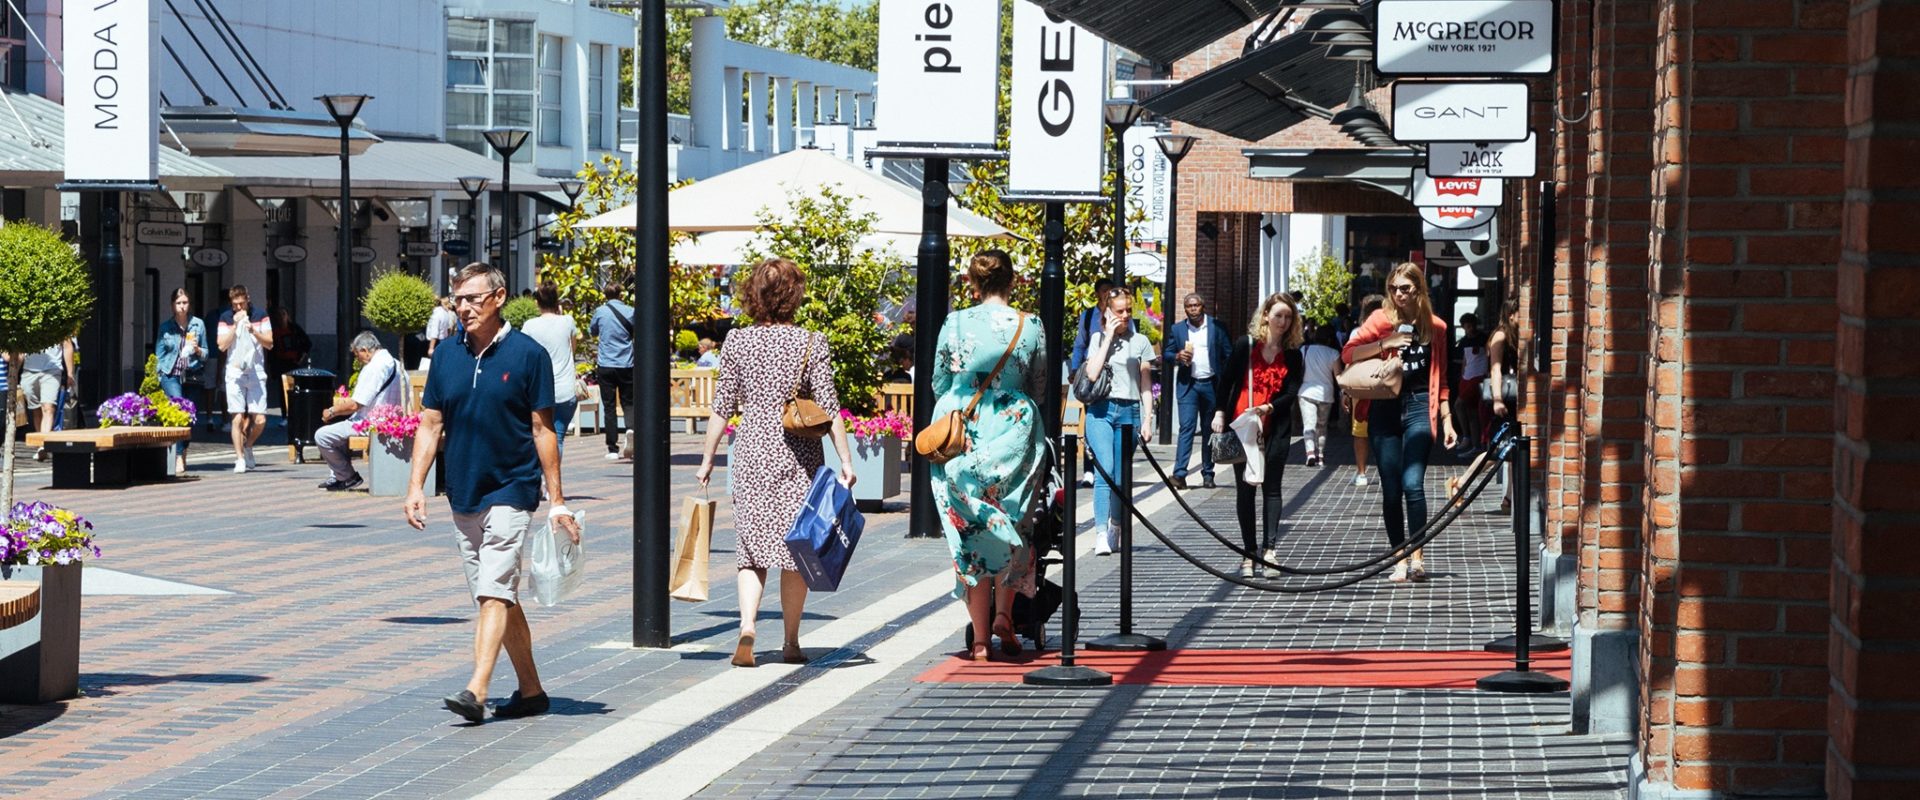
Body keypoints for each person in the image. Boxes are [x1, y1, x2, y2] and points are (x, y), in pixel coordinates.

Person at [404, 262, 579, 723]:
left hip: (513, 487)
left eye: (472, 299)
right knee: (497, 594)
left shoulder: (528, 354)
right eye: (457, 299)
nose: (463, 308)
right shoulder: (445, 356)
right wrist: (415, 486)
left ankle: (476, 689)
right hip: (464, 490)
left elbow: (543, 430)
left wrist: (556, 499)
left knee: (494, 588)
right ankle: (532, 690)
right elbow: (430, 423)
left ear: (498, 298)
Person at [695, 258, 857, 669]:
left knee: (751, 551)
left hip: (750, 451)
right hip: (798, 456)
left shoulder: (736, 341)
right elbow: (829, 406)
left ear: (755, 294)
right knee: (795, 549)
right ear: (794, 294)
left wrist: (707, 458)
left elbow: (722, 407)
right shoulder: (810, 342)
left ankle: (747, 626)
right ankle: (790, 641)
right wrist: (846, 459)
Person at [929, 250, 1046, 661]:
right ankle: (1004, 616)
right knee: (1014, 518)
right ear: (1011, 281)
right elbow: (1039, 383)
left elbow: (939, 379)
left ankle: (979, 640)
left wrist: (961, 399)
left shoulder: (954, 321)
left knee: (970, 530)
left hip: (963, 427)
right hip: (1013, 427)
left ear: (972, 283)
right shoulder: (1029, 324)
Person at [1342, 263, 1458, 583]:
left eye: (1405, 288)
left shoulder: (1436, 327)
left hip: (1421, 406)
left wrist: (1447, 420)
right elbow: (1349, 353)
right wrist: (1385, 344)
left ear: (1419, 289)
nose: (1398, 294)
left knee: (1412, 484)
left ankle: (1417, 556)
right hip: (1384, 408)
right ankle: (1399, 558)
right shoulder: (1380, 320)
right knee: (1392, 490)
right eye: (1393, 288)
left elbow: (1443, 379)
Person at [1215, 293, 1305, 578]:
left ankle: (1270, 550)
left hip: (1274, 427)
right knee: (1246, 489)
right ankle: (1248, 553)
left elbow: (1291, 393)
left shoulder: (1292, 353)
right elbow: (1227, 380)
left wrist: (1268, 407)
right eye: (1278, 315)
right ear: (1265, 315)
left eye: (1288, 317)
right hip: (1243, 426)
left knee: (1273, 488)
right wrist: (1219, 413)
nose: (1283, 321)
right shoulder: (1246, 345)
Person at [1081, 287, 1157, 556]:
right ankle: (1101, 532)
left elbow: (1146, 384)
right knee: (1106, 471)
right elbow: (1091, 373)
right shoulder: (1098, 338)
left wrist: (1148, 419)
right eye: (1119, 311)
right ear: (1107, 312)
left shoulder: (1141, 342)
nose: (1125, 316)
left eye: (1128, 311)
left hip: (1130, 411)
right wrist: (1108, 336)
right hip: (1101, 410)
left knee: (1122, 478)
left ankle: (1116, 525)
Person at [314, 332, 407, 491]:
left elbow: (356, 404)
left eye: (358, 356)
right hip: (393, 422)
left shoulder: (374, 367)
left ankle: (347, 477)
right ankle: (338, 475)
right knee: (340, 430)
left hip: (371, 424)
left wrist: (331, 411)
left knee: (323, 436)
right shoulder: (398, 364)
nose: (358, 360)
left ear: (365, 350)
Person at [1162, 292, 1230, 490]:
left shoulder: (1217, 327)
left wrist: (1226, 380)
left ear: (1203, 306)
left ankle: (1208, 473)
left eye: (1196, 305)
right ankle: (1180, 474)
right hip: (1188, 386)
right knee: (1187, 428)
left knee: (1209, 430)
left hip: (1211, 384)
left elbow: (1229, 353)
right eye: (1189, 306)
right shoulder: (1178, 329)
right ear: (1185, 309)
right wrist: (1177, 356)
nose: (1192, 309)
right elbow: (1166, 353)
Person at [218, 285, 274, 473]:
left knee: (260, 420)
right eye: (235, 305)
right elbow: (221, 346)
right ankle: (239, 458)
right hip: (235, 372)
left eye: (242, 304)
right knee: (237, 417)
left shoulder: (260, 315)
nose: (239, 308)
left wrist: (253, 331)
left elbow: (270, 343)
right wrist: (235, 326)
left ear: (247, 299)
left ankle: (248, 445)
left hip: (256, 371)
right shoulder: (226, 318)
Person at [521, 285, 580, 449]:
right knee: (558, 436)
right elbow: (572, 348)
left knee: (539, 435)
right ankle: (552, 474)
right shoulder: (568, 321)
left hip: (539, 390)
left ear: (536, 303)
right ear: (557, 302)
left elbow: (524, 355)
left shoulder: (530, 325)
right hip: (565, 390)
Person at [156, 288, 208, 472]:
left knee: (189, 418)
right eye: (178, 303)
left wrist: (198, 351)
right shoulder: (166, 327)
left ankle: (183, 451)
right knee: (179, 409)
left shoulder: (198, 325)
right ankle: (178, 456)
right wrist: (160, 374)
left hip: (193, 374)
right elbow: (159, 355)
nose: (182, 306)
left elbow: (207, 353)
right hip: (171, 375)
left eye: (185, 302)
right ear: (172, 305)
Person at [589, 279, 636, 461]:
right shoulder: (631, 311)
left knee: (608, 406)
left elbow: (592, 331)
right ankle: (630, 428)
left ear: (605, 295)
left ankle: (612, 448)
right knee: (628, 403)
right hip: (626, 363)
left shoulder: (600, 312)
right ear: (620, 295)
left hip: (606, 364)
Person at [1346, 293, 1386, 488]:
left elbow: (1350, 359)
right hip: (1386, 385)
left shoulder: (1358, 332)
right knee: (1384, 431)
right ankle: (1385, 469)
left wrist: (1345, 390)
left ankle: (1361, 473)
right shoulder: (1392, 329)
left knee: (1361, 432)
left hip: (1363, 387)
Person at [1485, 302, 1521, 513]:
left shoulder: (1516, 335)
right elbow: (1495, 370)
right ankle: (1461, 482)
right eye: (1520, 312)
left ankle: (1509, 497)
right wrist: (1497, 399)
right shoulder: (1500, 336)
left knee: (1511, 450)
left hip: (1514, 399)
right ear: (1510, 315)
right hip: (1505, 401)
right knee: (1496, 450)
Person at [19, 338, 75, 462]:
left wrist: (70, 374)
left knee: (48, 408)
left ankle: (44, 445)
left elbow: (67, 346)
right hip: (29, 371)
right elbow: (20, 351)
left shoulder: (57, 322)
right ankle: (41, 444)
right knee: (36, 410)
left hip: (52, 370)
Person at [1298, 325, 1341, 466]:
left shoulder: (1304, 350)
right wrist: (1344, 392)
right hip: (1326, 394)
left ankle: (1310, 453)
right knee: (1321, 426)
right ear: (1329, 339)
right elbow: (1338, 377)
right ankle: (1320, 455)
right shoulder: (1334, 353)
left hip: (1306, 392)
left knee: (1308, 425)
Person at [1456, 313, 1490, 455]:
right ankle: (1474, 442)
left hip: (1478, 376)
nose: (1470, 329)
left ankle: (1468, 437)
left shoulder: (1483, 338)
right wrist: (1462, 374)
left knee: (1459, 404)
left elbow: (1488, 355)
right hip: (1467, 376)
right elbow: (1465, 359)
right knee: (1472, 413)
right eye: (1467, 326)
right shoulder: (1463, 342)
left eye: (1471, 325)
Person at [265, 306, 311, 409]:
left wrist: (300, 358)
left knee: (294, 388)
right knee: (283, 389)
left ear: (287, 316)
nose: (281, 317)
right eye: (279, 315)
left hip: (293, 363)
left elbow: (307, 343)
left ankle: (294, 412)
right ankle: (285, 415)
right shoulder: (273, 331)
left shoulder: (294, 329)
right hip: (281, 363)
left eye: (283, 314)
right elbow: (270, 350)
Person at [424, 295, 461, 359]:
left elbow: (434, 332)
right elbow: (449, 328)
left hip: (435, 342)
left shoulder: (436, 314)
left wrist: (431, 348)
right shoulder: (445, 312)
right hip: (443, 340)